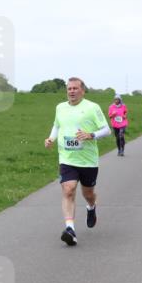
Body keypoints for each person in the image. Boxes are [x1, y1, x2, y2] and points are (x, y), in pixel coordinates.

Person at [44, 77, 111, 246]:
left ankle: (91, 207)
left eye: (75, 88)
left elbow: (106, 130)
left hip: (88, 161)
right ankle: (70, 229)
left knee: (88, 194)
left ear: (82, 91)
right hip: (67, 158)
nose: (72, 91)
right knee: (68, 189)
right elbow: (57, 125)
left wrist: (91, 135)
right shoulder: (60, 107)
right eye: (69, 88)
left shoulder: (92, 107)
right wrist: (51, 138)